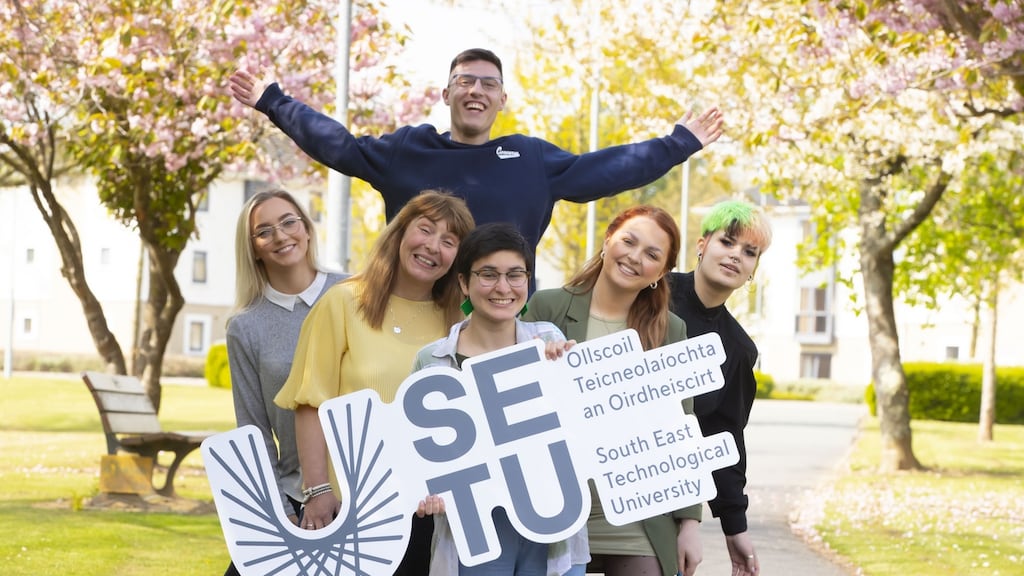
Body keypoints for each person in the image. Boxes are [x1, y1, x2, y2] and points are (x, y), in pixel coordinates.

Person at [228, 48, 724, 256]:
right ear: (446, 94)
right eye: (465, 81)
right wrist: (275, 102)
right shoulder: (408, 150)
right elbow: (340, 146)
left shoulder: (531, 160)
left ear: (501, 100)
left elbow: (609, 169)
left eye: (488, 84)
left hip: (502, 322)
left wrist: (678, 143)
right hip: (416, 315)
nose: (476, 91)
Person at [274, 190, 475, 576]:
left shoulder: (459, 323)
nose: (433, 246)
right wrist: (318, 491)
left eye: (449, 241)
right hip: (350, 506)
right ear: (401, 233)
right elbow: (310, 403)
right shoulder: (343, 303)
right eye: (426, 230)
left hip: (425, 511)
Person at [523, 206, 702, 576]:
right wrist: (538, 362)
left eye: (652, 254)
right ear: (607, 242)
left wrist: (689, 524)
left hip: (637, 514)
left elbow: (682, 427)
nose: (635, 257)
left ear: (662, 273)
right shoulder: (547, 306)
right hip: (555, 509)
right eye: (628, 241)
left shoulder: (670, 330)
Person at [410, 222, 574, 576]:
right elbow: (416, 454)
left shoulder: (549, 340)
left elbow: (576, 429)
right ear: (463, 282)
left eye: (515, 275)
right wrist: (425, 491)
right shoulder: (432, 360)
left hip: (550, 527)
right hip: (475, 532)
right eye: (488, 275)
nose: (503, 288)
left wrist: (564, 369)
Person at [222, 189, 347, 576]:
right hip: (299, 497)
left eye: (289, 222)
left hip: (364, 487)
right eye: (264, 231)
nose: (280, 236)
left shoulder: (354, 293)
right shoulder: (245, 327)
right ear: (253, 249)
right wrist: (279, 509)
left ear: (307, 229)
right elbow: (254, 428)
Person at [667, 200, 772, 576]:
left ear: (753, 270)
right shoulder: (651, 291)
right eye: (727, 242)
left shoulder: (738, 350)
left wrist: (735, 527)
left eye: (749, 252)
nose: (735, 255)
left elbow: (723, 437)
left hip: (663, 495)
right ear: (702, 245)